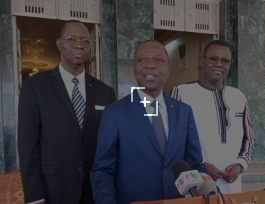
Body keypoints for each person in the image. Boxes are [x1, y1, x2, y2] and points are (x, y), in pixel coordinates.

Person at [90, 40, 208, 204]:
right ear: (134, 70)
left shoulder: (184, 111)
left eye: (158, 60)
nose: (150, 65)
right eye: (142, 60)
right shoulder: (114, 113)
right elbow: (103, 170)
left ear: (168, 71)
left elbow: (194, 163)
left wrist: (209, 186)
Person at [18, 20, 116, 204]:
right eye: (71, 39)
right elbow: (27, 146)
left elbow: (111, 145)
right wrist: (35, 197)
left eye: (85, 41)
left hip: (95, 190)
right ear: (58, 43)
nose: (79, 45)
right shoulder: (35, 87)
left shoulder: (106, 92)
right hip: (53, 188)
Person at [170, 40, 255, 194]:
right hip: (196, 183)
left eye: (225, 60)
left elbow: (249, 138)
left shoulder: (239, 97)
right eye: (213, 59)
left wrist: (240, 164)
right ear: (202, 61)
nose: (219, 64)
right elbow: (172, 140)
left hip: (232, 185)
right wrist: (199, 165)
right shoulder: (181, 92)